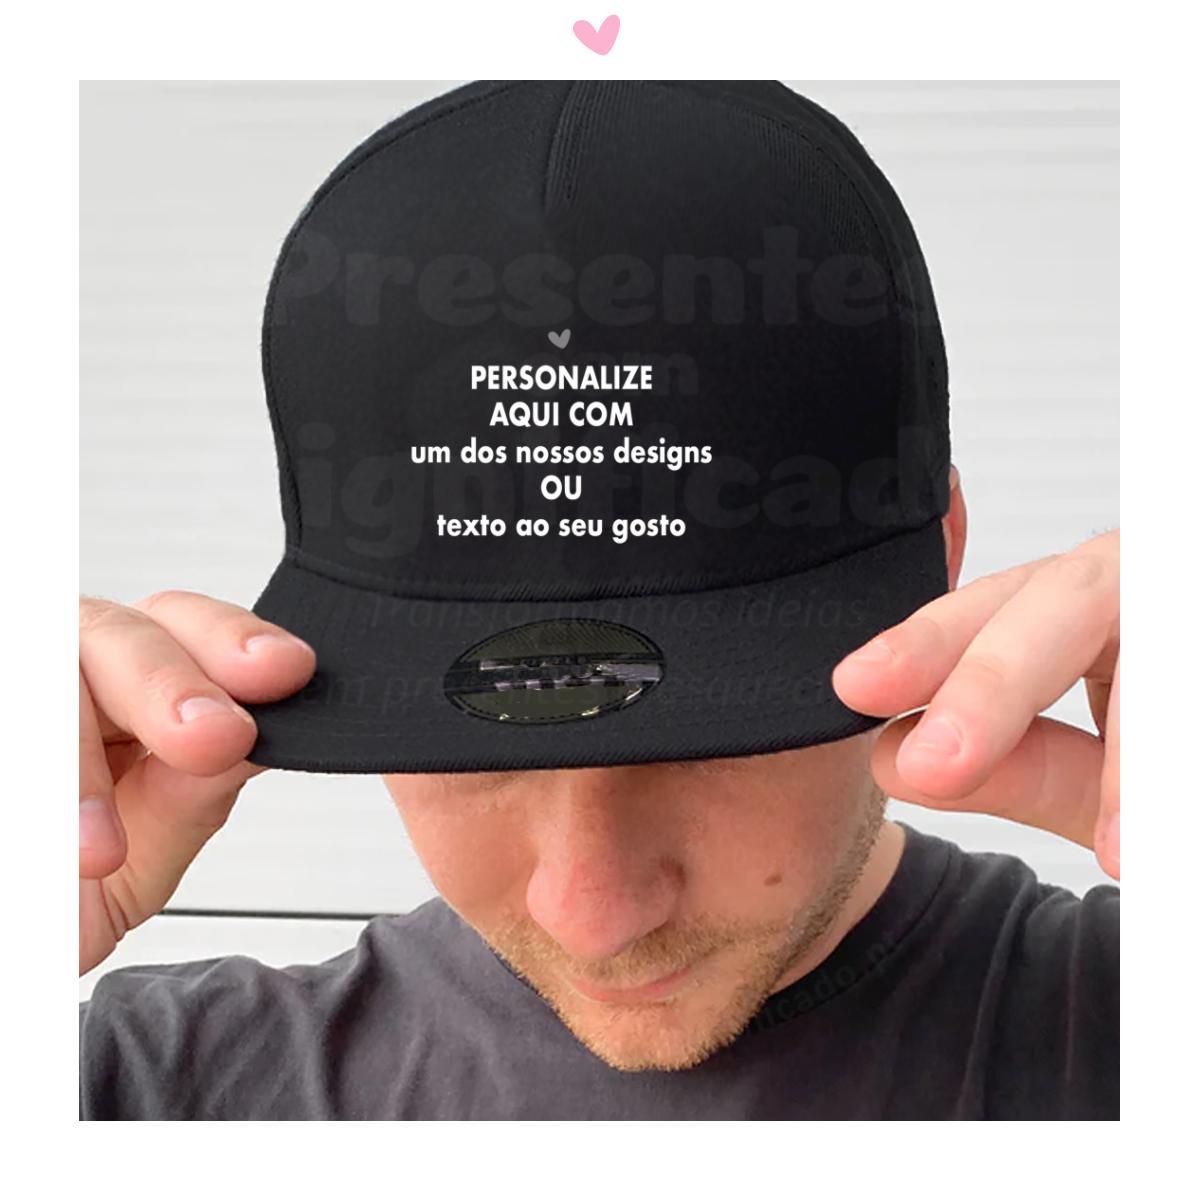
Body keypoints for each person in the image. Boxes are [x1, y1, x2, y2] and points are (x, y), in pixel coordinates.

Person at [78, 80, 1119, 1120]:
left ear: (939, 563)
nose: (592, 914)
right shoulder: (152, 1088)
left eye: (706, 734)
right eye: (474, 742)